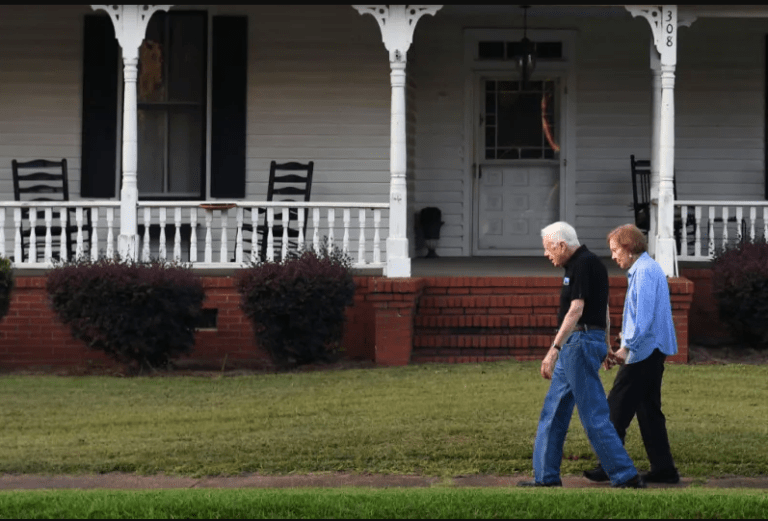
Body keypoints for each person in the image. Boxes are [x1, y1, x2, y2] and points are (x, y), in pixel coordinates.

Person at [518, 221, 645, 488]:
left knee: (593, 414)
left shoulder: (584, 264)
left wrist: (554, 349)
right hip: (582, 342)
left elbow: (576, 309)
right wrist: (607, 344)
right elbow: (605, 308)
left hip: (579, 343)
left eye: (549, 248)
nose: (546, 254)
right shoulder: (585, 265)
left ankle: (625, 475)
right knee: (553, 412)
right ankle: (545, 477)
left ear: (562, 245)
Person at [582, 223, 680, 484]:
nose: (613, 256)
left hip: (644, 351)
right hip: (650, 349)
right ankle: (664, 469)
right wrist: (622, 341)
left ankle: (609, 465)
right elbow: (640, 317)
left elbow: (644, 319)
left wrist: (627, 348)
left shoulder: (645, 272)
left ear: (628, 248)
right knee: (648, 410)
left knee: (615, 407)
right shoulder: (644, 269)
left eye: (615, 250)